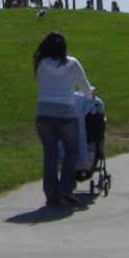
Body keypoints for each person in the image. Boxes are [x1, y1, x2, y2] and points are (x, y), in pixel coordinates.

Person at [33, 31, 94, 208]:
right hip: (66, 112)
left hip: (43, 113)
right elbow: (85, 89)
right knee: (72, 151)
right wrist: (90, 95)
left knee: (50, 154)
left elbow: (41, 86)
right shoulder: (72, 63)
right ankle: (66, 189)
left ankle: (51, 195)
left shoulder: (41, 64)